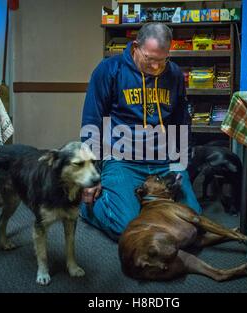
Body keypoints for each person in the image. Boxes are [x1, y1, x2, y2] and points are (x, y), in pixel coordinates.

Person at [80, 22, 202, 241]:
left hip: (162, 161)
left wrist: (180, 164)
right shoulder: (109, 69)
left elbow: (181, 122)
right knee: (125, 229)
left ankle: (140, 207)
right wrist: (90, 176)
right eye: (150, 59)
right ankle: (88, 208)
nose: (156, 67)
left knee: (194, 222)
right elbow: (91, 122)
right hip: (122, 159)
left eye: (162, 59)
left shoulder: (173, 74)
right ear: (135, 47)